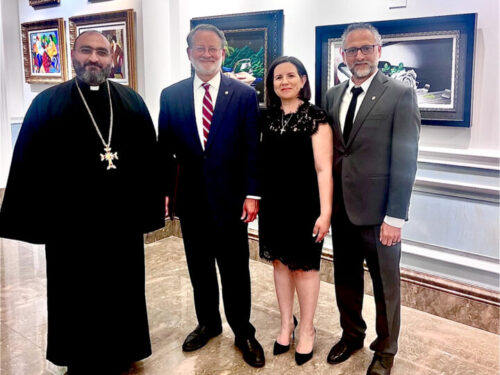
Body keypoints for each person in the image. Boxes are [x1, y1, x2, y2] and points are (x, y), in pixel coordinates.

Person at [0, 30, 164, 374]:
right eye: (86, 51)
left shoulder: (131, 101)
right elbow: (27, 162)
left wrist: (149, 208)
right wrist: (35, 219)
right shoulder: (47, 103)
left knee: (123, 290)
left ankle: (125, 349)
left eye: (102, 52)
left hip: (121, 225)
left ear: (112, 58)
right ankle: (78, 356)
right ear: (72, 55)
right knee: (74, 294)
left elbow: (150, 161)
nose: (94, 58)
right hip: (70, 226)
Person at [158, 24, 265, 368]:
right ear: (189, 53)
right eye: (199, 49)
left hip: (232, 201)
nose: (206, 54)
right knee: (199, 268)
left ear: (223, 53)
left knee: (235, 270)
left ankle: (243, 331)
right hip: (190, 200)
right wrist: (163, 192)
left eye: (213, 49)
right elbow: (165, 150)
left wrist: (252, 194)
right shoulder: (171, 95)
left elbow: (252, 149)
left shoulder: (245, 96)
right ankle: (208, 323)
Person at [324, 23, 420, 375]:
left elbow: (406, 158)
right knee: (345, 279)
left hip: (381, 214)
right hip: (342, 210)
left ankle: (386, 350)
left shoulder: (399, 94)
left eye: (366, 48)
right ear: (343, 55)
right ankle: (352, 336)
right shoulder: (333, 95)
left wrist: (396, 217)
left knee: (385, 287)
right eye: (352, 50)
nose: (359, 55)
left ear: (379, 51)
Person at [258, 56, 333, 366]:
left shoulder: (317, 117)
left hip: (306, 205)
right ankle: (286, 324)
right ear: (272, 85)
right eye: (278, 77)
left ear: (303, 80)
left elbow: (323, 169)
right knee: (279, 263)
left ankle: (308, 329)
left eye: (291, 75)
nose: (284, 81)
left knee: (304, 267)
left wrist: (326, 212)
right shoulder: (266, 117)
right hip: (274, 204)